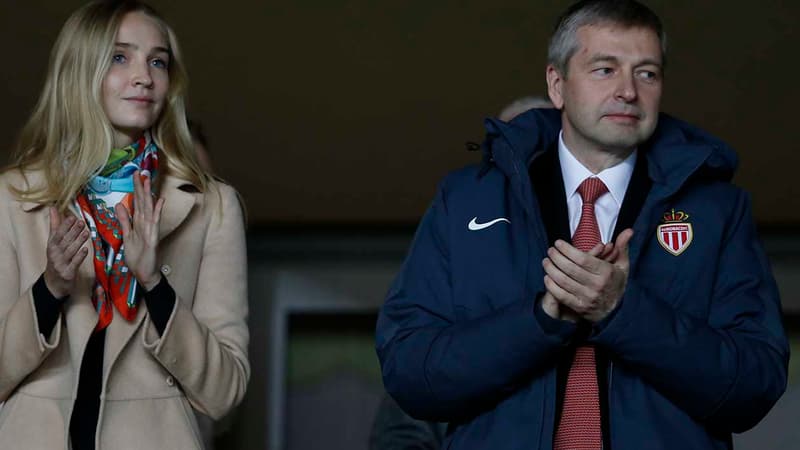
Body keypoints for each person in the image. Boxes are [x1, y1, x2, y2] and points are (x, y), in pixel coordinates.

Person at [375, 0, 788, 448]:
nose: (628, 91)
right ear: (557, 85)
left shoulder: (718, 211)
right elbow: (410, 373)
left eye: (646, 73)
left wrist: (623, 312)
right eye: (604, 69)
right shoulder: (465, 200)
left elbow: (756, 386)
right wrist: (542, 319)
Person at [0, 1, 249, 449]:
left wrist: (155, 284)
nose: (144, 76)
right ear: (78, 70)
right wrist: (50, 288)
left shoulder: (213, 208)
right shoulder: (13, 198)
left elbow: (225, 392)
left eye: (158, 61)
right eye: (120, 57)